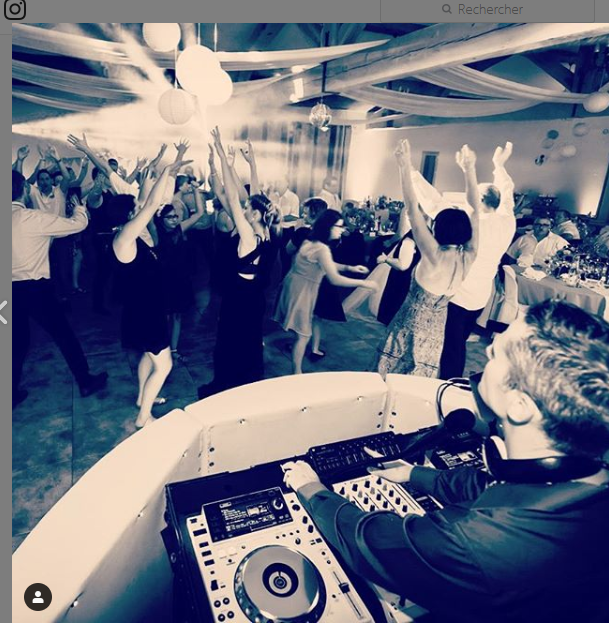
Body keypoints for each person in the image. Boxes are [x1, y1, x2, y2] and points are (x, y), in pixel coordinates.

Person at [283, 300, 609, 622]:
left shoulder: (481, 541)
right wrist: (414, 474)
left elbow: (373, 542)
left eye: (496, 355)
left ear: (520, 406)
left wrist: (311, 489)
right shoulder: (587, 478)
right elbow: (499, 489)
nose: (487, 350)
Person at [374, 140, 479, 378]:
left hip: (409, 324)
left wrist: (404, 165)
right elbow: (476, 212)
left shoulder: (434, 254)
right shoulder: (469, 254)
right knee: (420, 376)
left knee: (390, 374)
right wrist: (469, 169)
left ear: (438, 229)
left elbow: (412, 209)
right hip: (436, 330)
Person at [12, 170, 108, 407]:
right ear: (25, 189)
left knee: (16, 341)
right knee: (64, 335)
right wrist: (79, 208)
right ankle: (85, 381)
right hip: (35, 289)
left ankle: (10, 392)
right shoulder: (31, 218)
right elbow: (78, 224)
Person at [112, 153, 190, 428]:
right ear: (129, 215)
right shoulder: (125, 237)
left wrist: (158, 174)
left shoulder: (127, 235)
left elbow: (147, 201)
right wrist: (167, 170)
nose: (140, 208)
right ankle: (143, 418)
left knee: (148, 355)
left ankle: (141, 399)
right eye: (135, 208)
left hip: (144, 309)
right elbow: (152, 203)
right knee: (164, 365)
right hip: (145, 313)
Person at [197, 127, 274, 399]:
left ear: (254, 214)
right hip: (255, 300)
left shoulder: (248, 237)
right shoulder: (266, 231)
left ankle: (227, 387)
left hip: (239, 300)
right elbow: (257, 196)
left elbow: (231, 197)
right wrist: (251, 164)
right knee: (250, 343)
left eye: (247, 208)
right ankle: (248, 386)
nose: (243, 208)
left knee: (228, 343)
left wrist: (222, 156)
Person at [439, 142, 516, 380]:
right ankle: (447, 378)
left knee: (452, 345)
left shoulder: (475, 224)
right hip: (482, 295)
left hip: (460, 293)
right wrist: (499, 166)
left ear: (480, 199)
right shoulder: (508, 220)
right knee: (458, 341)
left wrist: (472, 169)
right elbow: (507, 192)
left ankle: (449, 383)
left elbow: (476, 202)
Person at [274, 209, 376, 374]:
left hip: (294, 286)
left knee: (301, 332)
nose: (342, 230)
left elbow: (326, 264)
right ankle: (297, 373)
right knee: (304, 335)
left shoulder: (310, 241)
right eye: (339, 226)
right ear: (328, 227)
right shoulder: (322, 249)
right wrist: (364, 283)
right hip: (302, 292)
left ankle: (296, 370)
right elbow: (335, 279)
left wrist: (349, 268)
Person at [154, 191, 205, 363]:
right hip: (163, 280)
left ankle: (174, 349)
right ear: (161, 219)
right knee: (164, 316)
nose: (174, 220)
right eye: (170, 217)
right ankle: (161, 349)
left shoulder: (180, 229)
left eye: (175, 216)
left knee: (178, 315)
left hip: (180, 279)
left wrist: (196, 190)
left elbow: (199, 213)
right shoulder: (155, 232)